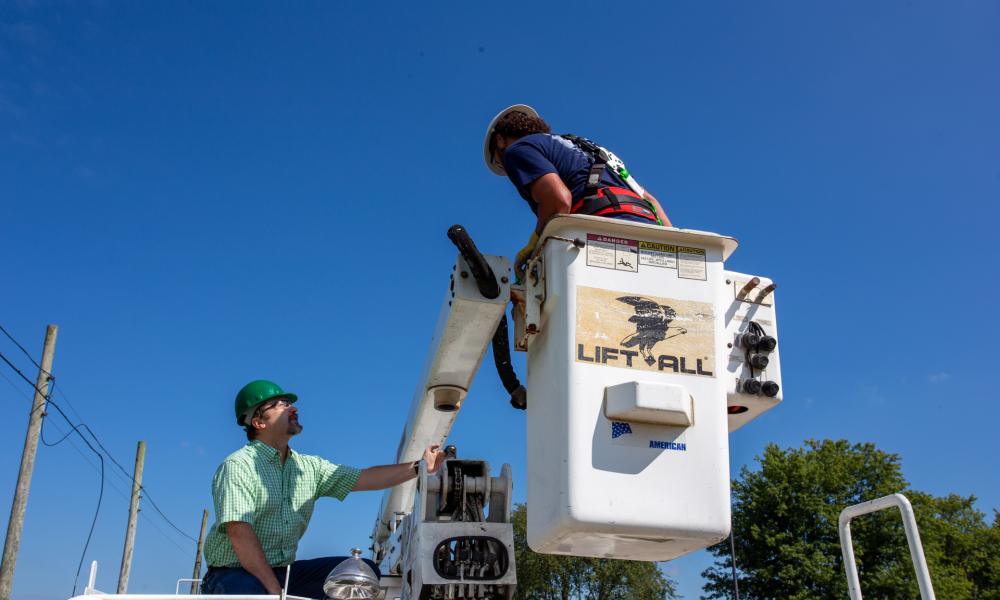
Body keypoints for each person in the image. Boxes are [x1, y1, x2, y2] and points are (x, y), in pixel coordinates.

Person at [201, 379, 446, 597]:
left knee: (361, 574)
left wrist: (420, 466)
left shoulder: (309, 468)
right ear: (258, 421)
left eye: (290, 403)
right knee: (253, 594)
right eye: (280, 404)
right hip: (234, 574)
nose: (293, 408)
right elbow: (239, 533)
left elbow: (364, 478)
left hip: (283, 573)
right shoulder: (238, 466)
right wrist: (276, 593)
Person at [484, 104, 672, 282]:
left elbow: (558, 201)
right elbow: (650, 200)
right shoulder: (587, 147)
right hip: (652, 236)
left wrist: (535, 245)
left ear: (500, 140)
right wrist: (675, 249)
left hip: (604, 234)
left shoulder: (516, 151)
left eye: (501, 164)